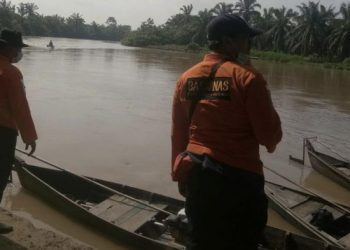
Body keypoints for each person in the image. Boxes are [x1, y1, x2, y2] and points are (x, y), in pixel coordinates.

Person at [171, 14, 282, 250]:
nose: (249, 46)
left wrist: (180, 175)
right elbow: (270, 139)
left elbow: (178, 135)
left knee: (200, 242)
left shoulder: (186, 78)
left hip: (197, 176)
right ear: (229, 42)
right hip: (239, 184)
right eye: (246, 40)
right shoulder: (248, 79)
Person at [0, 29, 38, 233]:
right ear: (8, 48)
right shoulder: (11, 73)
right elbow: (20, 107)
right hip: (3, 131)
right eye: (16, 48)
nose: (18, 53)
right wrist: (29, 136)